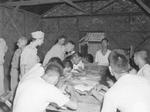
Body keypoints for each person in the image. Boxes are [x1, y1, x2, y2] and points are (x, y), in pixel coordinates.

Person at [13, 63, 78, 112]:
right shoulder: (49, 88)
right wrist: (72, 90)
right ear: (56, 78)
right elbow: (74, 106)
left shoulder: (30, 79)